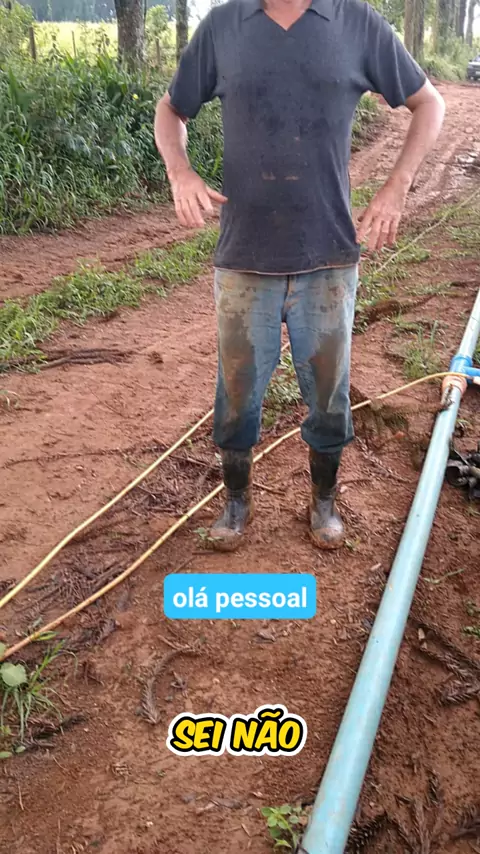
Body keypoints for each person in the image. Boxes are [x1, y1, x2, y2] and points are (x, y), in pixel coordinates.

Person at [154, 0, 445, 552]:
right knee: (237, 392)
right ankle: (236, 500)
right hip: (244, 258)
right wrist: (179, 171)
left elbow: (429, 103)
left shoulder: (357, 24)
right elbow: (171, 110)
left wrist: (397, 186)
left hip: (328, 257)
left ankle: (323, 499)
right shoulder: (223, 26)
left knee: (329, 394)